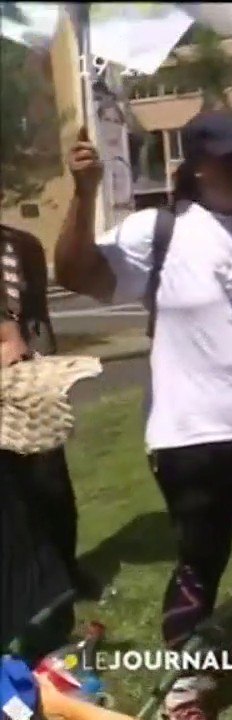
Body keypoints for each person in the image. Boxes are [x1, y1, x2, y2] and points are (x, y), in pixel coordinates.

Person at [54, 112, 232, 718]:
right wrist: (82, 192)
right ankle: (186, 682)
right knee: (201, 559)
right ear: (199, 167)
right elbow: (76, 274)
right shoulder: (159, 230)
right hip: (195, 436)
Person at [0, 216, 79, 657]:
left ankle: (58, 584)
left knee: (46, 486)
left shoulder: (21, 246)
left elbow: (29, 320)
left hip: (25, 383)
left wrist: (35, 360)